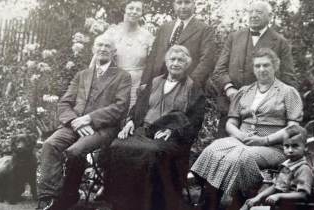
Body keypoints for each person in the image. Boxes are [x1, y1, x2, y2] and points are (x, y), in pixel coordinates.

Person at [190, 48, 303, 210]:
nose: (262, 70)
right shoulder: (244, 91)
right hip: (241, 140)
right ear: (253, 68)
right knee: (212, 150)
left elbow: (294, 127)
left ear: (275, 67)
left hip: (272, 146)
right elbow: (231, 123)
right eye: (257, 66)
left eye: (266, 65)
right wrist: (240, 136)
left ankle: (232, 203)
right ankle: (209, 202)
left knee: (236, 158)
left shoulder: (287, 92)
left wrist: (264, 140)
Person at [103, 45, 205, 210]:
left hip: (171, 137)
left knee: (151, 153)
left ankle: (148, 204)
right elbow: (138, 107)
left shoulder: (193, 88)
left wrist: (173, 130)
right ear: (166, 62)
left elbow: (195, 119)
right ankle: (121, 204)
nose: (176, 63)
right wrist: (130, 121)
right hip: (144, 130)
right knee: (117, 146)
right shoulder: (156, 81)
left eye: (180, 60)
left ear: (187, 64)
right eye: (172, 59)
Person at [36, 34, 132, 210]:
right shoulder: (82, 75)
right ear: (93, 49)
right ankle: (49, 197)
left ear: (114, 52)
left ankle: (69, 194)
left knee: (75, 151)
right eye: (99, 45)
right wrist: (74, 121)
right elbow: (64, 102)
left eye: (107, 46)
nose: (102, 49)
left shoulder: (122, 76)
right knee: (50, 144)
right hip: (74, 124)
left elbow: (120, 107)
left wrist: (89, 119)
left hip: (103, 128)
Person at [212, 1, 295, 137]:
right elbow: (219, 70)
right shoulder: (234, 37)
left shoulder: (280, 42)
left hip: (263, 114)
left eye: (259, 12)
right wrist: (229, 89)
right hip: (230, 107)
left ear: (270, 16)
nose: (254, 15)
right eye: (251, 12)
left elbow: (289, 78)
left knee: (253, 153)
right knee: (224, 150)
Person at [140, 0, 216, 88]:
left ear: (194, 4)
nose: (183, 6)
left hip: (185, 85)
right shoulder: (164, 28)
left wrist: (190, 84)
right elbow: (153, 57)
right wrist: (145, 82)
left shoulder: (205, 29)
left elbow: (207, 60)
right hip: (158, 84)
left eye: (187, 2)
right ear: (174, 5)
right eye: (179, 2)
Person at [241, 125, 314, 210]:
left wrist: (278, 196)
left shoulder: (303, 168)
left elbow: (303, 195)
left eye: (295, 146)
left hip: (295, 206)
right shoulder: (287, 165)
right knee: (248, 206)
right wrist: (258, 198)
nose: (290, 150)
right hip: (279, 205)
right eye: (286, 146)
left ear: (305, 147)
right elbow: (276, 186)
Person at [101, 0, 154, 108]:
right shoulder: (112, 33)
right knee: (110, 113)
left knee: (131, 116)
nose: (134, 12)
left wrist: (145, 84)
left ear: (142, 13)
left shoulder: (147, 36)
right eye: (131, 8)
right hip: (114, 81)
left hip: (137, 84)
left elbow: (152, 63)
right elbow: (99, 58)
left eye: (138, 9)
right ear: (124, 10)